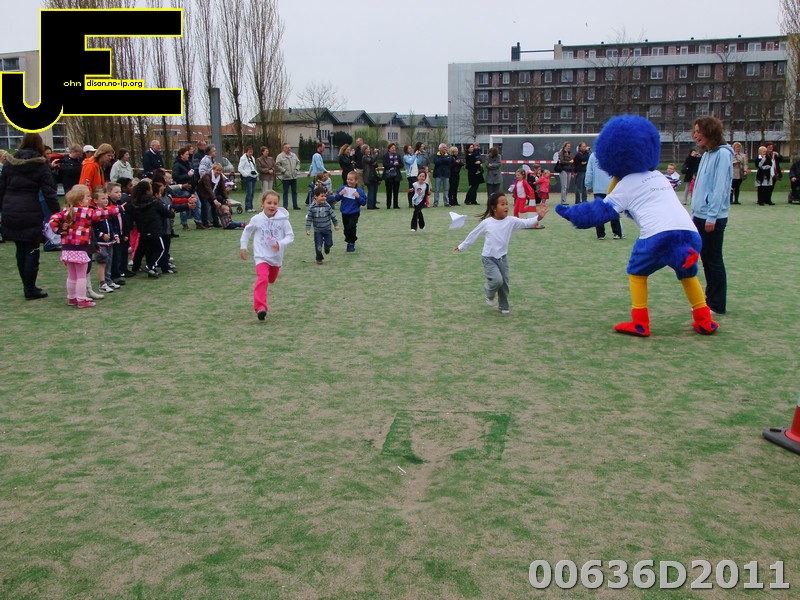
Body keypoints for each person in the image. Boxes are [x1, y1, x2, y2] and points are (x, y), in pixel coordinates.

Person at [556, 115, 718, 336]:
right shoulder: (658, 176)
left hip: (657, 236)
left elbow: (599, 212)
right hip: (689, 233)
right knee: (687, 273)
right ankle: (704, 319)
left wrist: (569, 212)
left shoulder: (626, 184)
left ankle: (640, 322)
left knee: (637, 272)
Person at [454, 192, 547, 315]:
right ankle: (489, 291)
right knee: (497, 281)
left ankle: (503, 306)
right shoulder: (487, 222)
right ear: (494, 208)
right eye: (502, 204)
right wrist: (461, 246)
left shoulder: (511, 221)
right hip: (488, 258)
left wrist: (538, 217)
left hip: (502, 258)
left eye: (507, 204)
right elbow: (474, 234)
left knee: (504, 283)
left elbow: (527, 222)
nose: (506, 206)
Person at [0, 132, 61, 299]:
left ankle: (27, 286)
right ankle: (30, 288)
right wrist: (58, 213)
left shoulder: (9, 162)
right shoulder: (41, 164)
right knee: (32, 248)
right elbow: (49, 192)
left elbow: (1, 187)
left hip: (10, 209)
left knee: (20, 249)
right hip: (30, 210)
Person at [49, 184, 123, 307]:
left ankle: (71, 298)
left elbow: (53, 220)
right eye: (87, 197)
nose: (89, 198)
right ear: (80, 200)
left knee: (72, 275)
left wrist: (60, 230)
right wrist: (118, 209)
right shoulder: (86, 212)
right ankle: (81, 299)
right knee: (81, 276)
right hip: (80, 248)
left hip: (67, 248)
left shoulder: (66, 211)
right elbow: (102, 213)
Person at [691, 116, 733, 316]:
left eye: (698, 131)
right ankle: (709, 300)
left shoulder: (723, 154)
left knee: (713, 260)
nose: (695, 135)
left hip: (713, 217)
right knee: (706, 259)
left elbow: (719, 187)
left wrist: (712, 216)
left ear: (709, 132)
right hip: (700, 214)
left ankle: (716, 304)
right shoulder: (707, 154)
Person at [240, 190, 294, 320]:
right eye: (269, 202)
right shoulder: (257, 219)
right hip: (261, 256)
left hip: (276, 258)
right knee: (262, 278)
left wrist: (280, 244)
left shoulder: (283, 220)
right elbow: (247, 231)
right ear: (262, 203)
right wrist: (243, 246)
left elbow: (290, 236)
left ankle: (270, 276)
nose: (272, 205)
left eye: (275, 203)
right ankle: (260, 307)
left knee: (271, 279)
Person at [585, 152, 623, 240]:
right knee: (613, 209)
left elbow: (589, 172)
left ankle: (600, 234)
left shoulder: (593, 156)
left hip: (598, 188)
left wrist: (588, 185)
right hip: (612, 187)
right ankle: (617, 233)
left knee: (599, 211)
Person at [91, 186, 120, 293]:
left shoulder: (108, 212)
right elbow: (93, 228)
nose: (106, 200)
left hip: (110, 242)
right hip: (100, 243)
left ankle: (108, 280)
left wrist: (115, 235)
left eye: (106, 198)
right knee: (102, 262)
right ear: (95, 200)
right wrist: (101, 234)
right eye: (103, 198)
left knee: (109, 261)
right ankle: (102, 284)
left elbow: (113, 225)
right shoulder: (94, 213)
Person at [306, 185, 340, 264]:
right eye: (322, 196)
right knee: (318, 246)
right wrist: (308, 229)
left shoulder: (327, 206)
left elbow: (333, 215)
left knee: (329, 243)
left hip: (327, 229)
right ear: (315, 197)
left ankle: (327, 247)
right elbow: (309, 219)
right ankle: (319, 258)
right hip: (318, 231)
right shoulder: (312, 208)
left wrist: (336, 225)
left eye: (325, 196)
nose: (324, 198)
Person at [336, 171, 367, 252]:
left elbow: (363, 202)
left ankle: (351, 242)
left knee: (352, 226)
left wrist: (358, 197)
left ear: (356, 181)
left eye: (351, 180)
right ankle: (348, 239)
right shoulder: (343, 188)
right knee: (346, 229)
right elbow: (336, 198)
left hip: (354, 212)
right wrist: (340, 194)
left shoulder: (359, 191)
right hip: (345, 212)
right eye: (348, 179)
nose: (349, 181)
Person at [171, 146, 200, 230]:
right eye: (186, 154)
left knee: (198, 204)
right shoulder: (177, 165)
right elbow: (176, 177)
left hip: (192, 188)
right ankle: (184, 223)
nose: (188, 155)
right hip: (183, 189)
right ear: (181, 155)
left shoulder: (189, 163)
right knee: (183, 205)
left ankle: (198, 222)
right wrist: (187, 176)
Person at [197, 163, 230, 228]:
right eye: (217, 170)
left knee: (216, 205)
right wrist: (214, 200)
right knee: (206, 207)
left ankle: (216, 222)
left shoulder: (220, 176)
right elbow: (208, 188)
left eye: (220, 170)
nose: (218, 172)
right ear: (213, 169)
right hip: (203, 193)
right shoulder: (207, 176)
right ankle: (205, 223)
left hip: (212, 194)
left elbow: (223, 188)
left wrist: (227, 199)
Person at [274, 143, 301, 210]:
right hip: (286, 177)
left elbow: (298, 162)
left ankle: (295, 205)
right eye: (288, 148)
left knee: (294, 192)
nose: (289, 149)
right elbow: (277, 164)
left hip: (293, 177)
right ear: (284, 148)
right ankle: (285, 206)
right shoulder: (280, 156)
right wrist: (283, 170)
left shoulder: (293, 155)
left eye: (290, 147)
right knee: (285, 192)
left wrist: (296, 169)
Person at [237, 146, 259, 212]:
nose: (251, 153)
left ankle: (251, 207)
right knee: (249, 192)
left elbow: (254, 167)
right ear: (246, 151)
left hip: (253, 176)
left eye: (252, 152)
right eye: (249, 152)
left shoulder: (252, 158)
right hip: (248, 177)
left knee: (252, 192)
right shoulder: (243, 158)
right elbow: (240, 168)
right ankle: (247, 207)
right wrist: (246, 174)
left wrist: (256, 173)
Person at [432, 143, 453, 207]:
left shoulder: (449, 155)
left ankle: (446, 202)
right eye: (444, 147)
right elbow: (436, 162)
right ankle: (435, 203)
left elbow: (449, 161)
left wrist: (442, 159)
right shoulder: (435, 155)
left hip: (446, 174)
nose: (445, 148)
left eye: (445, 147)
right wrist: (445, 159)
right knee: (437, 189)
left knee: (446, 189)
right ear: (440, 148)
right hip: (438, 174)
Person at [383, 143, 402, 209]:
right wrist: (393, 164)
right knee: (388, 191)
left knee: (396, 191)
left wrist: (398, 164)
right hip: (388, 175)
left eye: (394, 148)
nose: (394, 149)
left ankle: (395, 204)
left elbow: (401, 165)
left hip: (396, 175)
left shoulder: (398, 156)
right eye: (392, 148)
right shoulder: (385, 156)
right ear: (389, 149)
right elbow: (385, 165)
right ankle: (388, 205)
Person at [361, 144, 380, 209]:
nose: (368, 150)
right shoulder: (364, 157)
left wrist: (375, 157)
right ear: (364, 150)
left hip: (373, 175)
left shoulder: (370, 156)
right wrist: (375, 155)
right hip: (368, 176)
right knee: (371, 190)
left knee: (374, 190)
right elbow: (371, 161)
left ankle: (373, 204)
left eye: (369, 149)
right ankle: (370, 205)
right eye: (367, 149)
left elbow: (375, 164)